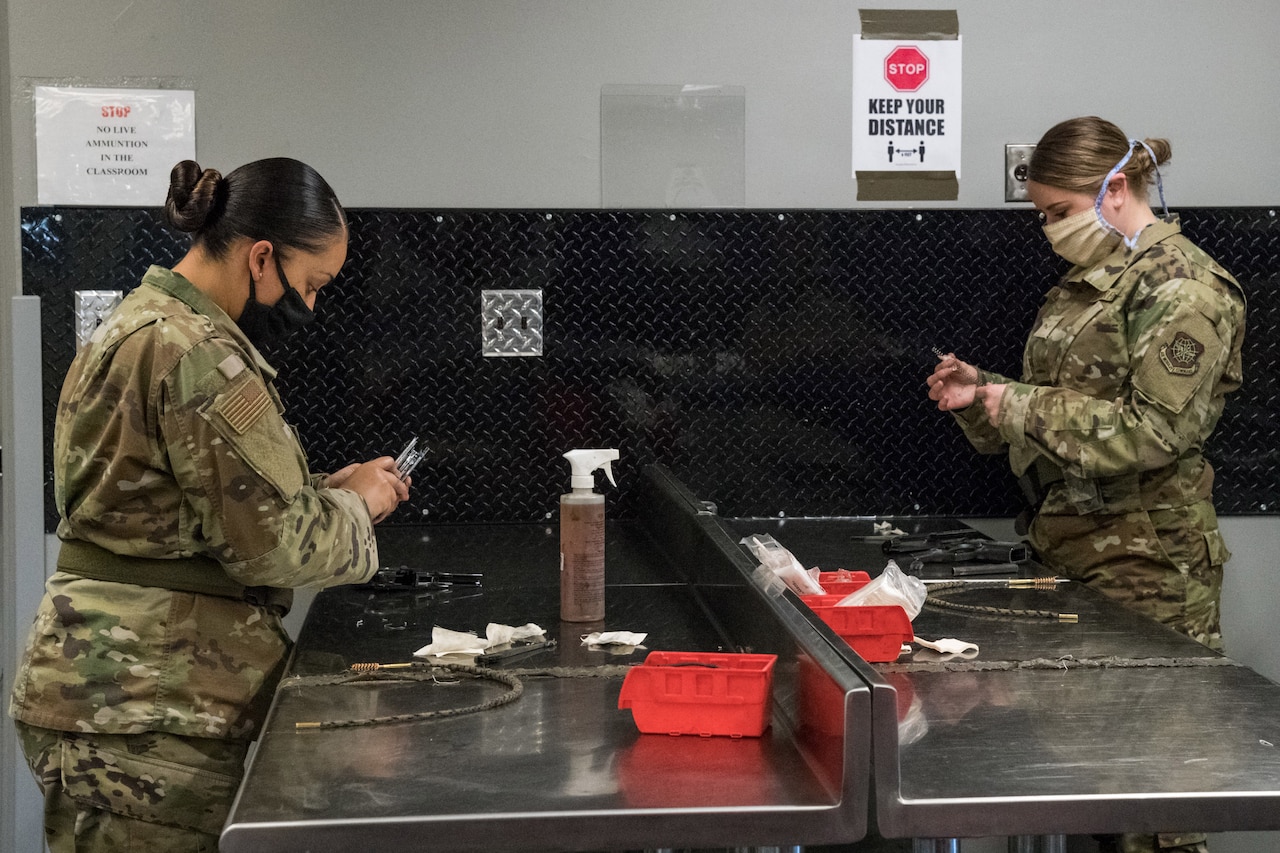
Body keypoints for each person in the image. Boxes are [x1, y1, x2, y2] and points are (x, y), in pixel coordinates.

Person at [9, 157, 410, 851]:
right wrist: (358, 507)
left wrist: (320, 491)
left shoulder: (142, 321)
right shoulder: (197, 353)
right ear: (261, 258)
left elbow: (171, 508)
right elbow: (272, 544)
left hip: (120, 693)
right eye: (310, 285)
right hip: (144, 708)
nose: (310, 308)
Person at [925, 117, 1246, 853]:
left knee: (1153, 798)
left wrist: (1015, 405)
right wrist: (985, 393)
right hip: (1076, 555)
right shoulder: (1090, 282)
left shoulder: (1186, 288)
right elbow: (1070, 406)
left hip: (1148, 569)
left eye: (1059, 211)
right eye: (1042, 214)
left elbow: (1151, 432)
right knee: (1091, 777)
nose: (1048, 228)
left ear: (1118, 188)